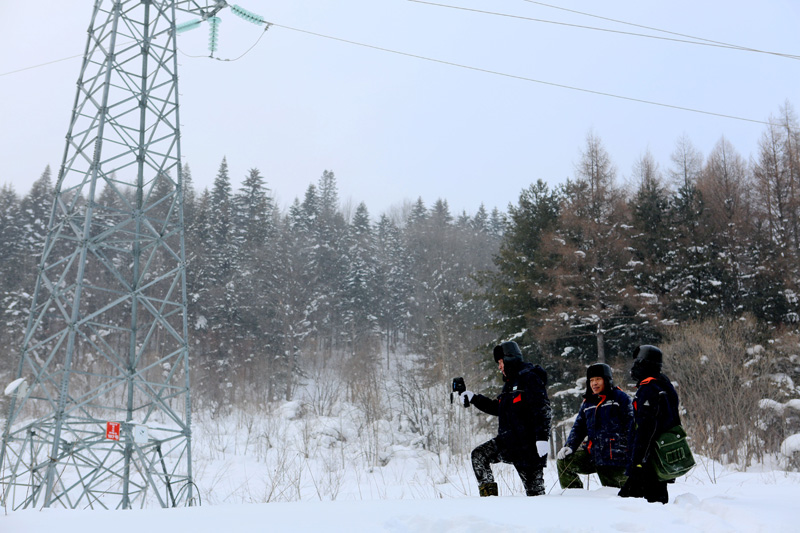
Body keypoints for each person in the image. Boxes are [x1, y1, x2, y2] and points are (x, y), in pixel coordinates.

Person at [459, 341, 552, 497]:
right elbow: (498, 408)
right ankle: (490, 501)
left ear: (509, 359)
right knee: (479, 455)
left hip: (528, 447)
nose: (499, 367)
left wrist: (542, 438)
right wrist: (474, 398)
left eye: (501, 362)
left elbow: (542, 409)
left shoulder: (530, 378)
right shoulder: (509, 385)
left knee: (535, 495)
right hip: (508, 442)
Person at [618, 344, 681, 504]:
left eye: (636, 363)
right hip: (662, 455)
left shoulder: (649, 389)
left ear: (644, 364)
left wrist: (637, 461)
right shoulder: (664, 386)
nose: (633, 368)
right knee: (657, 503)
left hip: (649, 461)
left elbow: (646, 428)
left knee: (630, 505)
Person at [556, 363, 632, 489]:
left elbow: (631, 427)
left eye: (598, 379)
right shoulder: (588, 402)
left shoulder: (620, 398)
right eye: (591, 380)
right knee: (564, 462)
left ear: (607, 380)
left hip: (616, 459)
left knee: (619, 497)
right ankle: (574, 496)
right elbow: (579, 427)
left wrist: (631, 455)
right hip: (593, 456)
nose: (594, 383)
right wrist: (570, 446)